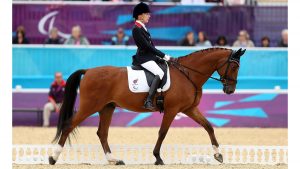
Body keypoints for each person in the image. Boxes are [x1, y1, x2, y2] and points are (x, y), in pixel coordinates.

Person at [131, 2, 173, 110]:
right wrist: (164, 56)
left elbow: (151, 46)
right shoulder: (136, 29)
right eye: (147, 14)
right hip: (143, 59)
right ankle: (148, 100)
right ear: (140, 15)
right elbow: (147, 47)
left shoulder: (143, 28)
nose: (149, 16)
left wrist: (158, 58)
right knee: (159, 72)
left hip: (149, 57)